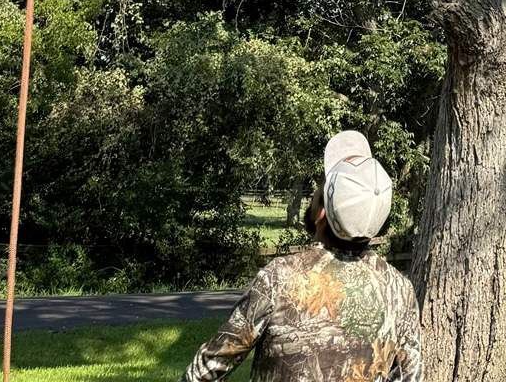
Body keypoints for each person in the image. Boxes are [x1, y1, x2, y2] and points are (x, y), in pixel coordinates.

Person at [181, 129, 424, 382]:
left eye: (321, 189)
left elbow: (206, 371)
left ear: (322, 213)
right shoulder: (400, 290)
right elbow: (411, 376)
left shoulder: (279, 278)